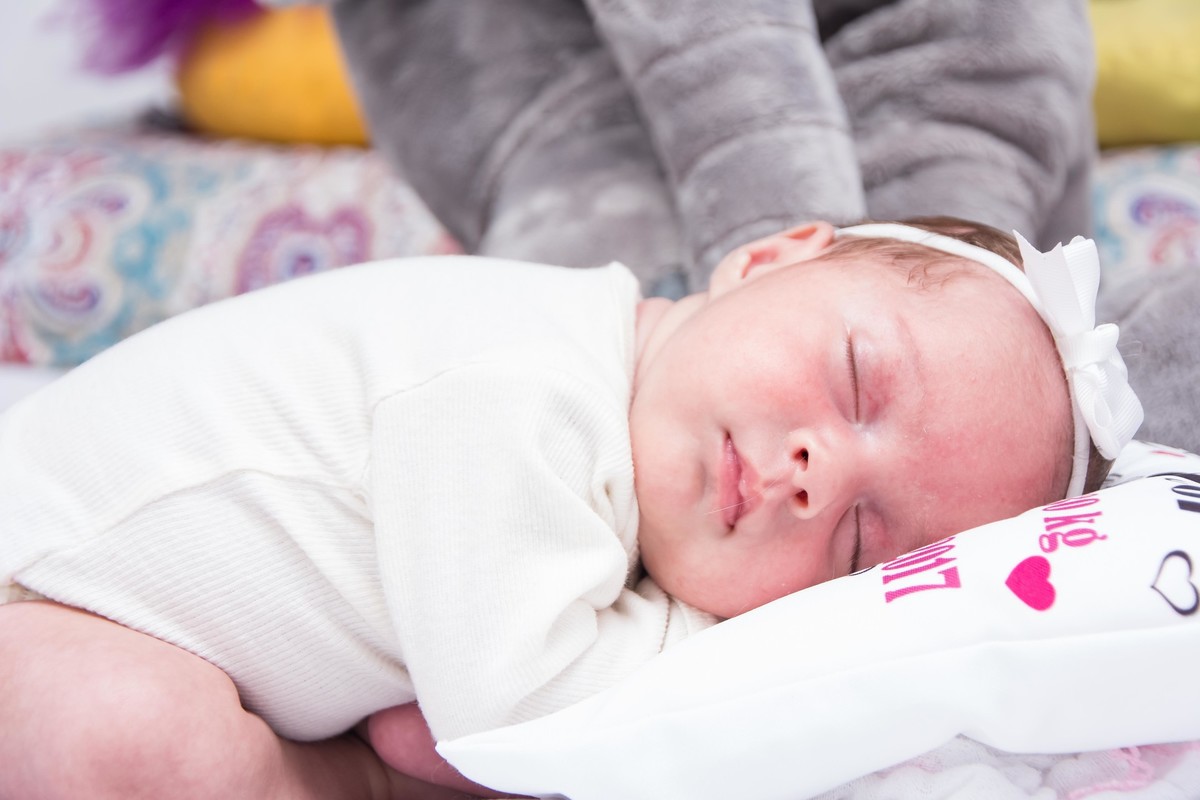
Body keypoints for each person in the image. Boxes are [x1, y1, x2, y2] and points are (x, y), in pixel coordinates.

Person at [0, 217, 1141, 800]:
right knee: (130, 734)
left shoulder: (624, 459)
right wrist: (721, 639)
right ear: (768, 257)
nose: (816, 470)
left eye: (859, 544)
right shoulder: (520, 386)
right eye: (852, 379)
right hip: (38, 596)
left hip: (170, 643)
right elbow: (528, 708)